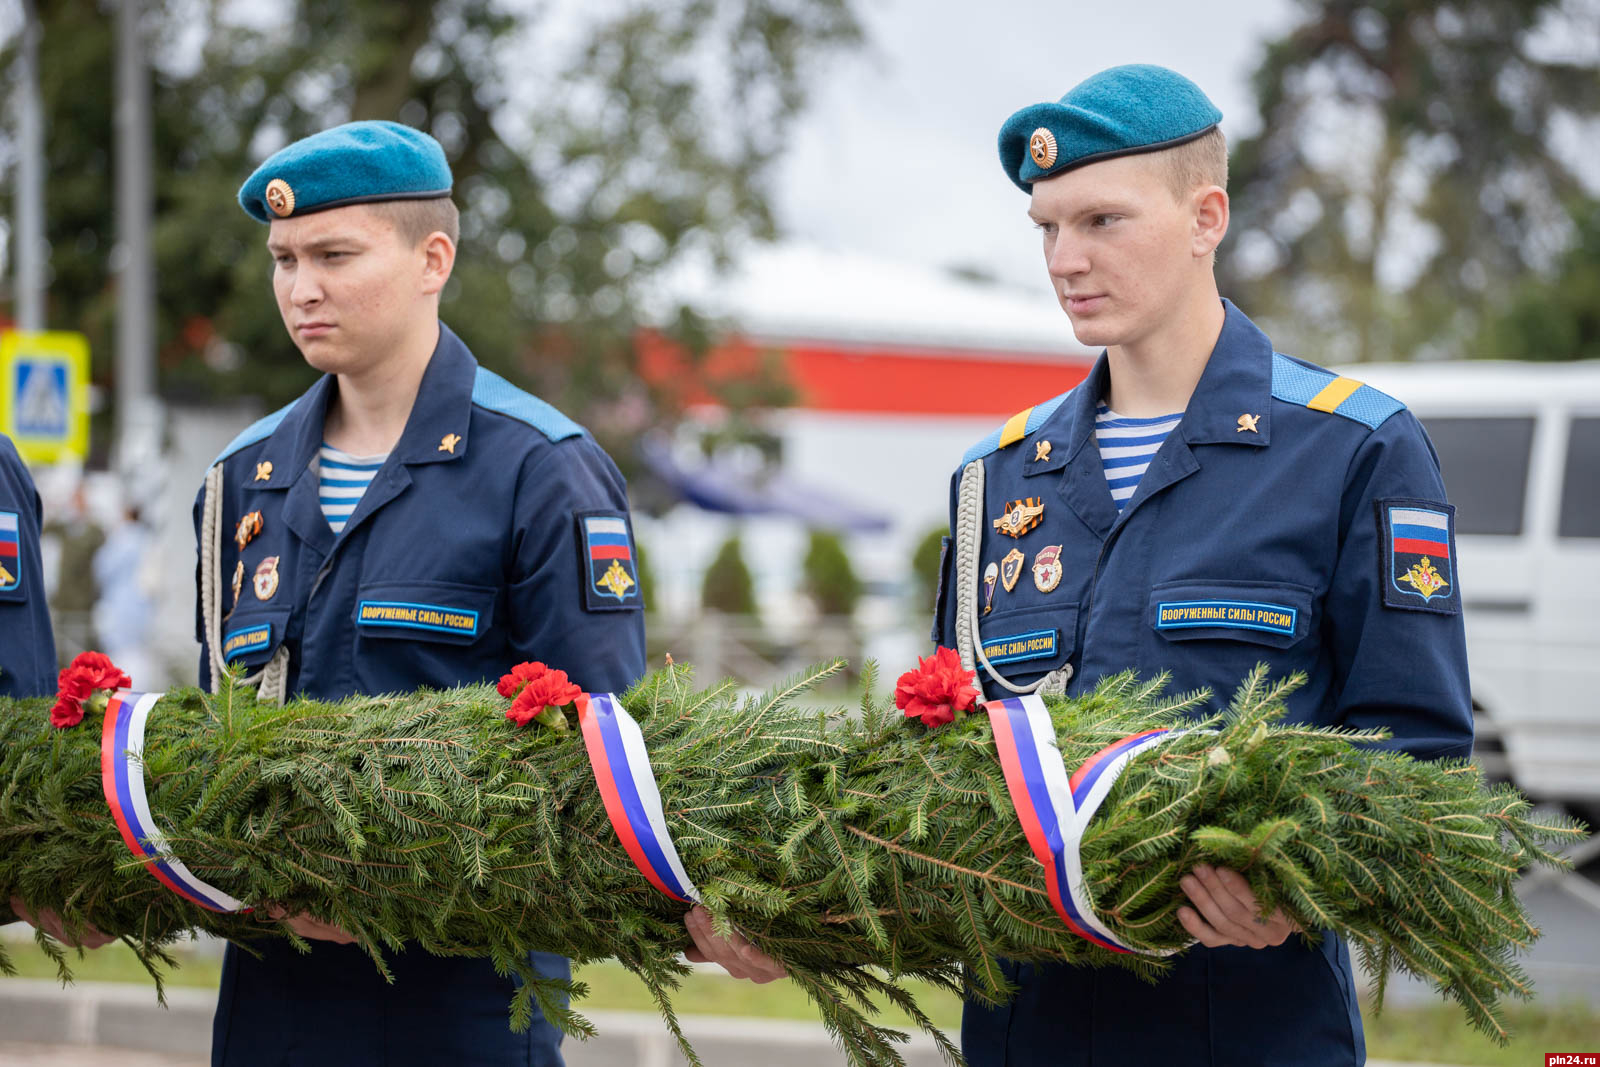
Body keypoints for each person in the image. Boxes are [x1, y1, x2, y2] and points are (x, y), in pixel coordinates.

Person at [199, 120, 778, 1067]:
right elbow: (212, 733)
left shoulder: (542, 470)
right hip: (272, 1004)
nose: (301, 288)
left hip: (464, 1004)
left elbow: (604, 761)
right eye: (284, 258)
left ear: (434, 258)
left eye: (334, 254)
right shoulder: (241, 477)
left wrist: (380, 875)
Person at [933, 65, 1473, 1066]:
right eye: (1046, 227)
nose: (1065, 258)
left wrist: (1292, 876)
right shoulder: (998, 477)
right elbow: (950, 747)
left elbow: (1418, 752)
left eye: (1101, 221)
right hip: (1024, 1032)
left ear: (1204, 217)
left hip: (1241, 1032)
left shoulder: (1350, 450)